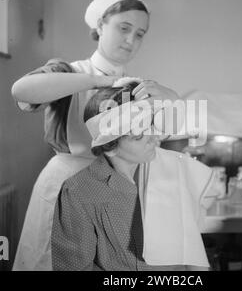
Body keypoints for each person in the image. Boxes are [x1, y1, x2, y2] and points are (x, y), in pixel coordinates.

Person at [11, 0, 179, 271]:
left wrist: (169, 96)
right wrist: (96, 82)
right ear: (101, 25)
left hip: (113, 189)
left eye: (140, 34)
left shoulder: (137, 86)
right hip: (66, 184)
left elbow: (169, 132)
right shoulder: (69, 72)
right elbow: (22, 90)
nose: (131, 40)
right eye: (123, 28)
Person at [51, 82, 214, 270]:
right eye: (138, 135)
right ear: (110, 147)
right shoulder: (79, 192)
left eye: (152, 125)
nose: (155, 137)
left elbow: (192, 250)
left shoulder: (171, 171)